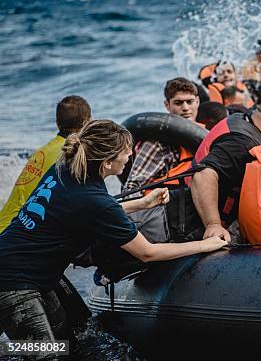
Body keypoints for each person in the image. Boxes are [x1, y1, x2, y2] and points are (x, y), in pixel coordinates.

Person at [0, 119, 227, 349]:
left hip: (21, 263)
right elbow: (148, 252)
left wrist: (142, 203)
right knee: (45, 353)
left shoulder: (67, 166)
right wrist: (204, 245)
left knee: (80, 335)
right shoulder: (92, 198)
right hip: (13, 280)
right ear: (108, 162)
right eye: (126, 154)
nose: (130, 157)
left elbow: (86, 210)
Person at [189, 94, 261, 242]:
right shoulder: (242, 144)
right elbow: (202, 175)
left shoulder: (241, 118)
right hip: (194, 223)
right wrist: (212, 224)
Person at [0, 95, 91, 233]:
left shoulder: (44, 150)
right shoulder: (71, 155)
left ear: (57, 122)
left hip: (5, 226)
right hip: (20, 233)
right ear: (87, 122)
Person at [123, 78, 202, 194]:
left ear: (197, 102)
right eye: (178, 103)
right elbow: (131, 190)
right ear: (167, 105)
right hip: (166, 208)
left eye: (189, 102)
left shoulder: (208, 132)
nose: (185, 108)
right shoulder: (159, 143)